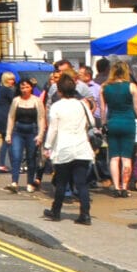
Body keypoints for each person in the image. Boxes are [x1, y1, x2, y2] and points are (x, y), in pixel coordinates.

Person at [41, 75, 98, 225]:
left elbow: (53, 129)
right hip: (82, 148)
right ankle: (85, 215)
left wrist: (47, 146)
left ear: (59, 91)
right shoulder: (82, 104)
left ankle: (56, 212)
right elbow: (92, 121)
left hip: (63, 148)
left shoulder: (57, 106)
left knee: (61, 182)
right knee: (81, 183)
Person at [102, 62, 137, 196]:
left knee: (114, 157)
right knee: (126, 157)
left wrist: (103, 124)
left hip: (112, 122)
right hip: (128, 122)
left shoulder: (105, 87)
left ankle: (117, 187)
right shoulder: (132, 87)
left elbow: (103, 109)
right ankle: (125, 187)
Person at [4, 78, 46, 194]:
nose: (25, 90)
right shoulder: (16, 100)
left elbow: (41, 118)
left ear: (31, 88)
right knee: (16, 156)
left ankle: (29, 183)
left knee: (31, 158)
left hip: (32, 131)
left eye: (27, 87)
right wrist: (8, 134)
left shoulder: (37, 101)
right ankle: (14, 182)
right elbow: (11, 117)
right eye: (22, 88)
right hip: (18, 131)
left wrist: (40, 135)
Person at [0, 71, 17, 175]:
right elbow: (15, 100)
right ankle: (11, 165)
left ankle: (3, 164)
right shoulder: (7, 90)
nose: (13, 81)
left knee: (5, 142)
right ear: (6, 80)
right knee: (8, 141)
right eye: (10, 79)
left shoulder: (2, 89)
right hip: (6, 118)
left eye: (13, 79)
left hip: (2, 117)